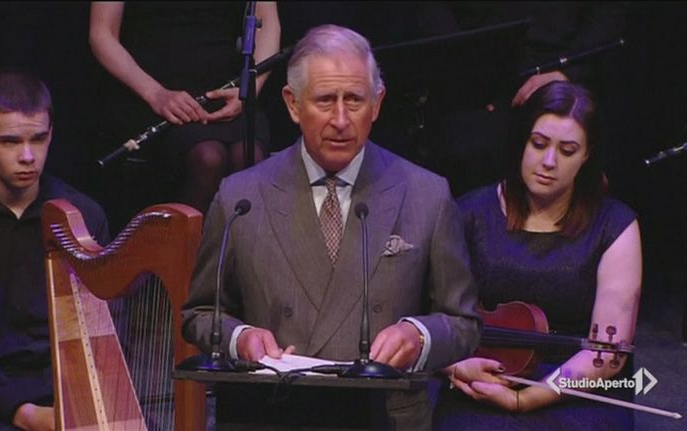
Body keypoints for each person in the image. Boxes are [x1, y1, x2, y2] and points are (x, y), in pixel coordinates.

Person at [182, 24, 480, 429]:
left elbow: (463, 323)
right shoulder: (240, 196)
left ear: (377, 104)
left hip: (383, 418)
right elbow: (200, 313)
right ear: (292, 104)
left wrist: (419, 336)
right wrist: (240, 338)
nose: (341, 120)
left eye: (354, 100)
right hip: (271, 416)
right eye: (325, 101)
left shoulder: (426, 194)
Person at [435, 81, 641, 430]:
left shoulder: (615, 225)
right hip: (485, 373)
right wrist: (456, 367)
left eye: (568, 150)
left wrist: (526, 399)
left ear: (586, 155)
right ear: (522, 142)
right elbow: (431, 317)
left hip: (577, 386)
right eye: (539, 144)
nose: (548, 162)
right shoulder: (470, 212)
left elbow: (606, 355)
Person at [0, 69, 109, 431]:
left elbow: (101, 336)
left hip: (66, 394)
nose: (28, 156)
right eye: (10, 142)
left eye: (38, 139)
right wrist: (23, 412)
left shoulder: (84, 215)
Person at [89, 1, 280, 217]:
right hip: (150, 90)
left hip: (228, 89)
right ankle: (180, 239)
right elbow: (102, 34)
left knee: (248, 157)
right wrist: (156, 94)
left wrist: (249, 89)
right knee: (208, 158)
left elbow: (267, 22)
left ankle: (232, 240)